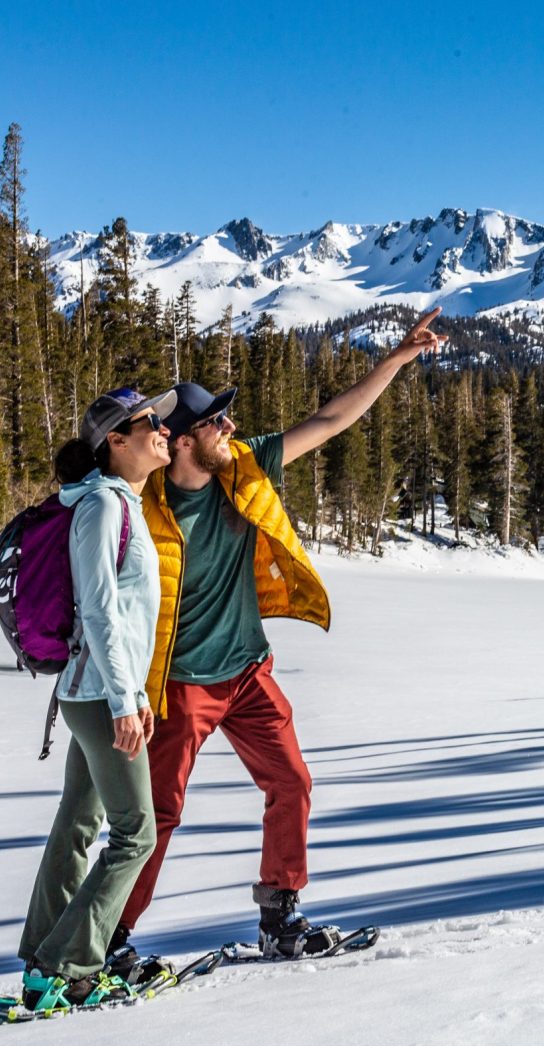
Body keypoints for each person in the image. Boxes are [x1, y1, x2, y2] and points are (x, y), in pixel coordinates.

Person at [107, 308, 446, 972]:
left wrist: (398, 359)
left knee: (291, 782)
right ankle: (108, 936)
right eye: (214, 422)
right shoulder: (138, 506)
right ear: (178, 442)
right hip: (179, 686)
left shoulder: (244, 467)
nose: (229, 427)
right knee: (159, 813)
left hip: (248, 674)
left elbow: (329, 420)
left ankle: (280, 916)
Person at [16, 386, 178, 1010]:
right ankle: (70, 963)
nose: (163, 430)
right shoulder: (104, 506)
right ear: (115, 439)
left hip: (96, 691)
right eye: (149, 423)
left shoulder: (119, 504)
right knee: (137, 832)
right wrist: (124, 700)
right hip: (100, 694)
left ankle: (41, 959)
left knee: (79, 824)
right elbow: (102, 611)